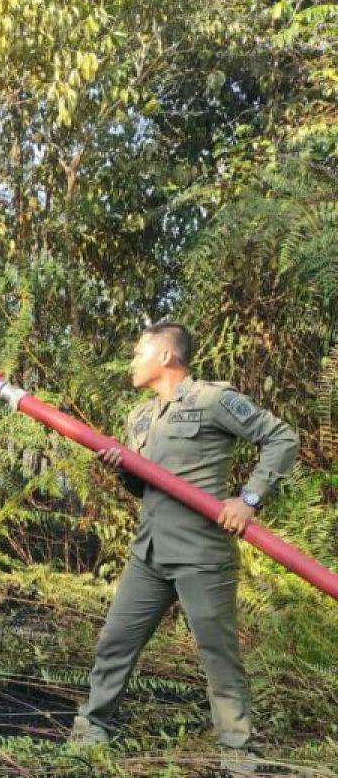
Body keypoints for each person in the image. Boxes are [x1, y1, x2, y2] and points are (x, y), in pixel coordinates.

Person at [69, 322, 299, 769]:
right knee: (115, 641)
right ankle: (92, 727)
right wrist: (122, 469)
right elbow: (145, 489)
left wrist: (249, 498)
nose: (132, 362)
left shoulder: (212, 400)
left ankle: (237, 752)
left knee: (218, 655)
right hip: (149, 552)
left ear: (166, 357)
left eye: (139, 353)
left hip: (202, 555)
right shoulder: (139, 417)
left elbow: (281, 438)